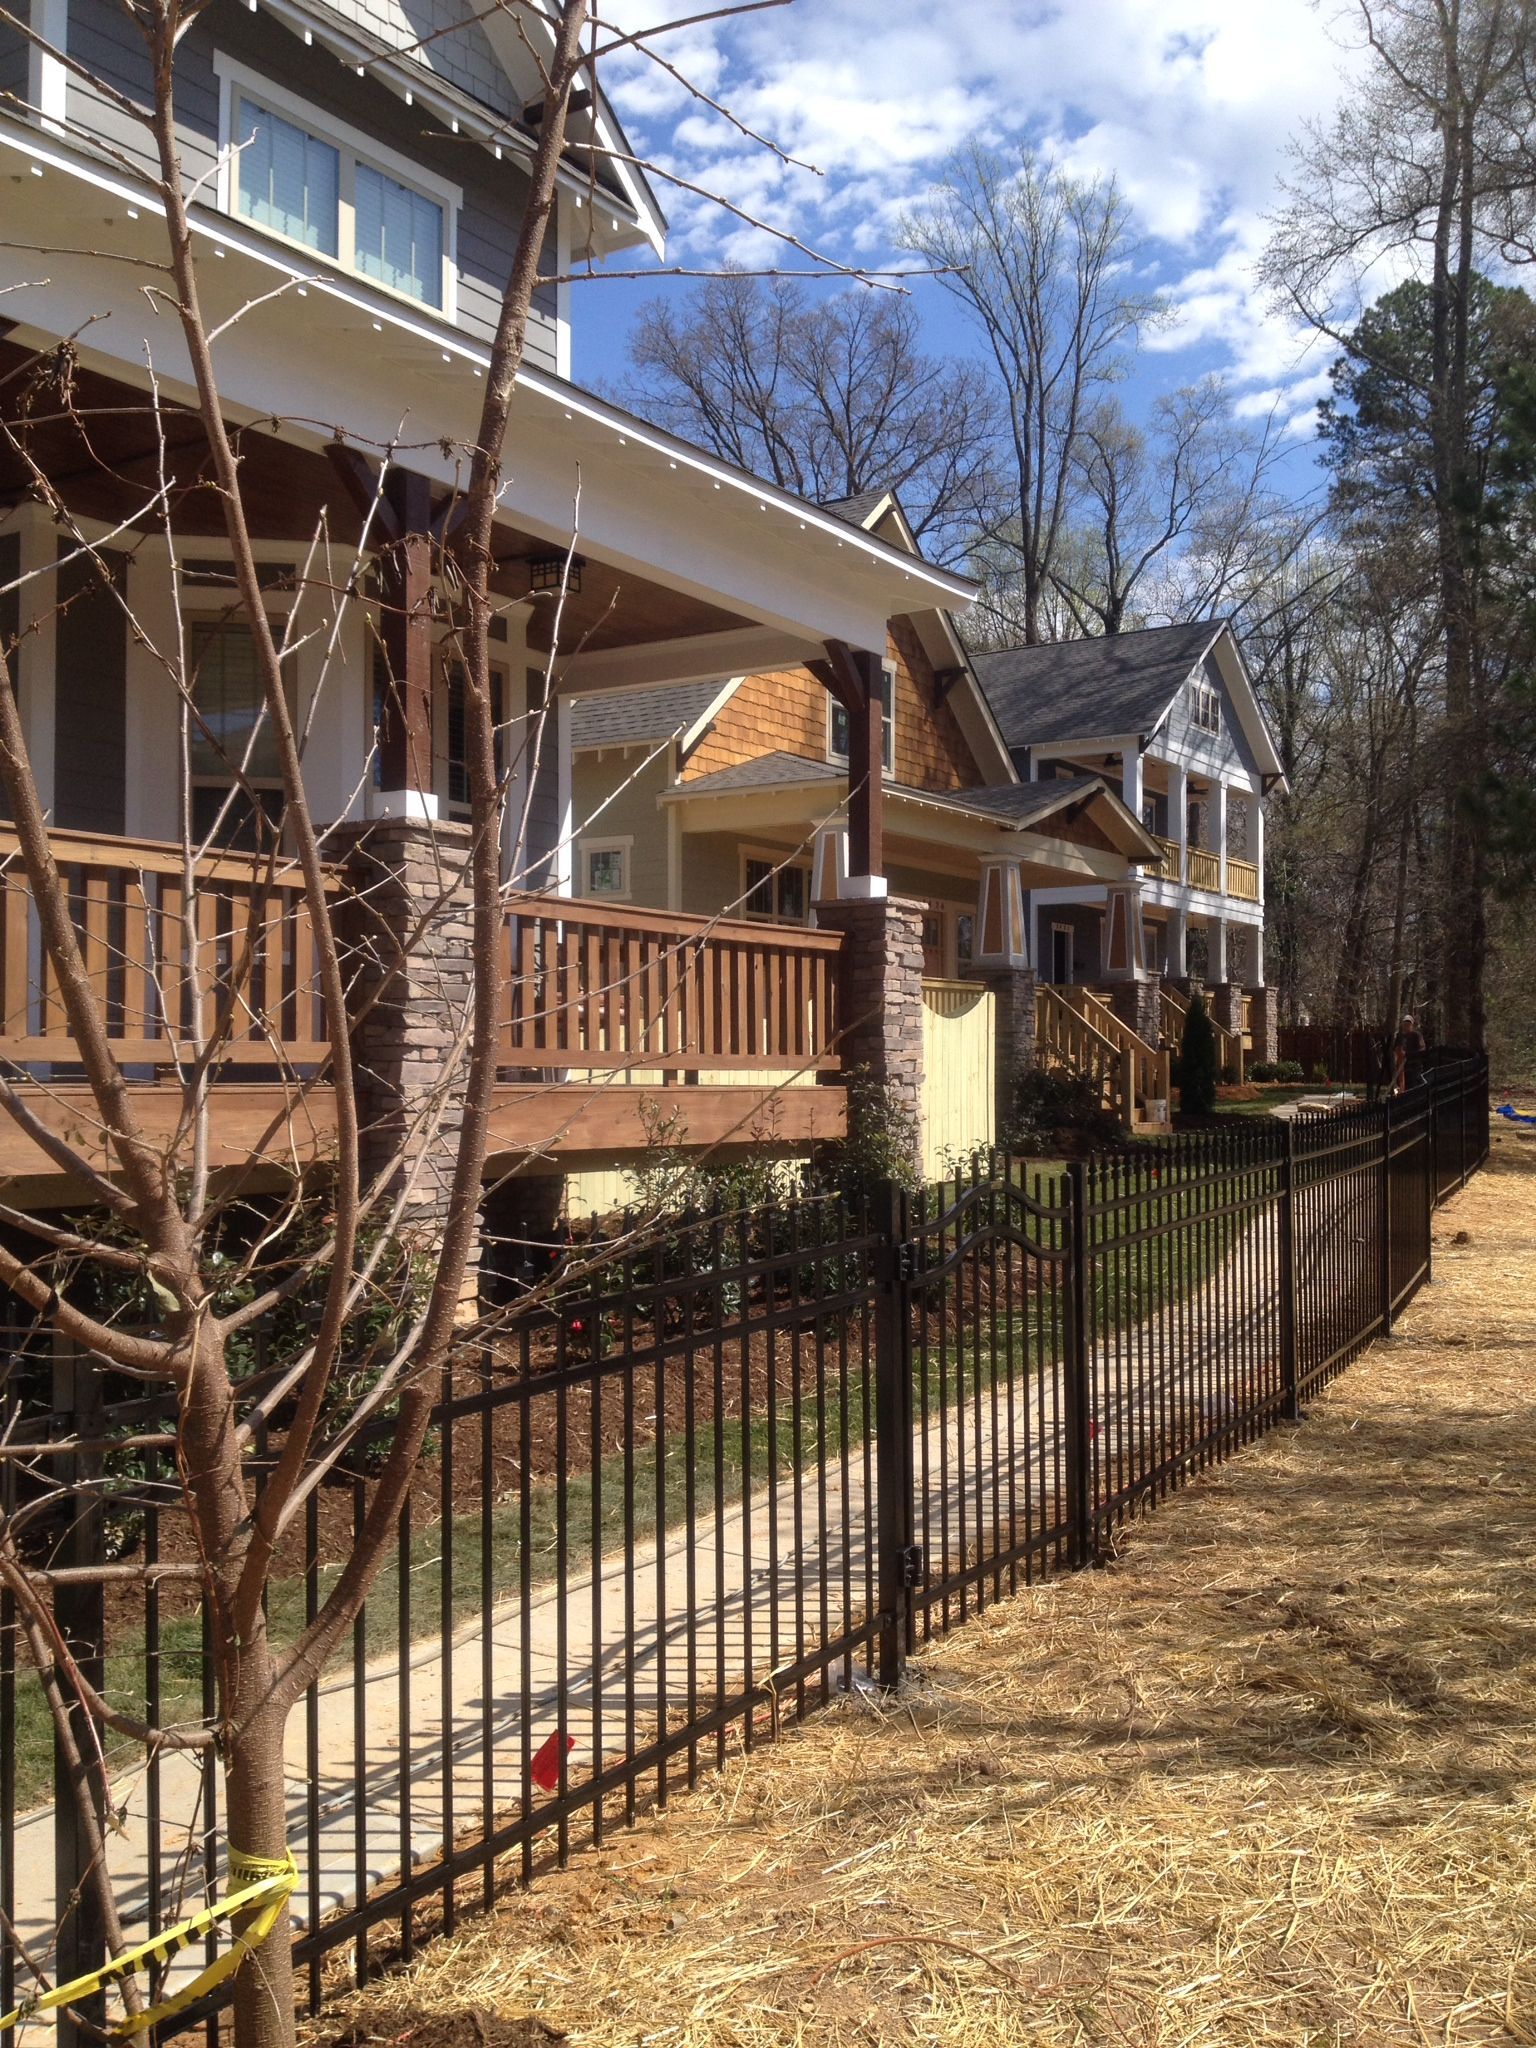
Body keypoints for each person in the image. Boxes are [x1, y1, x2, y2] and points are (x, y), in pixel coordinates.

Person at [1392, 1012, 1426, 1094]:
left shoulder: (1416, 1036)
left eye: (1408, 1024)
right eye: (1405, 1023)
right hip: (1402, 1067)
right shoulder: (1399, 1036)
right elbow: (1396, 1049)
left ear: (1412, 1025)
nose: (1406, 1025)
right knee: (1403, 1086)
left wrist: (1408, 1054)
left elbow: (1422, 1050)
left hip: (1414, 1066)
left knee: (1413, 1086)